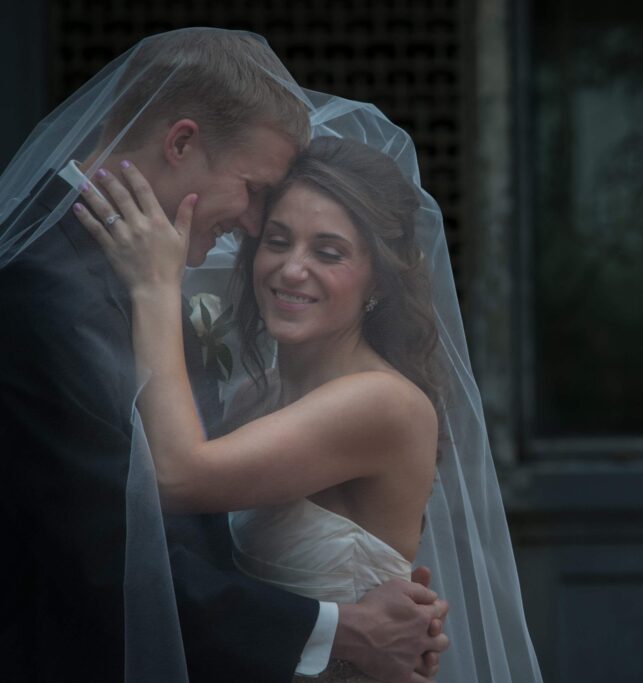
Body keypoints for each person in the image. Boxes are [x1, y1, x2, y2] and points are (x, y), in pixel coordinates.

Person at [0, 29, 447, 683]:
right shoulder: (39, 288)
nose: (251, 224)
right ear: (181, 142)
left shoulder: (144, 277)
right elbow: (115, 557)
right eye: (257, 191)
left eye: (327, 250)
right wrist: (345, 628)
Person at [76, 131, 446, 683]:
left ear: (378, 281)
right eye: (277, 240)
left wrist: (154, 285)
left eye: (328, 252)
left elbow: (175, 477)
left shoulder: (382, 402)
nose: (291, 269)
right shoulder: (257, 394)